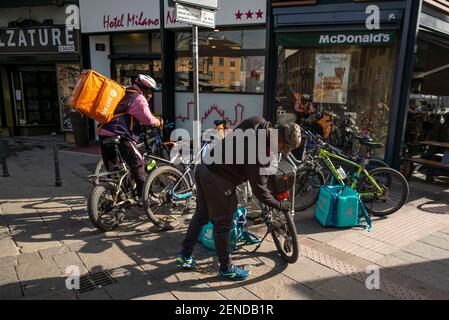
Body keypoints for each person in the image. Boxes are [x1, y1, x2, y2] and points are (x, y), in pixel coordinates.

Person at [176, 116, 302, 281]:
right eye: (283, 149)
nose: (280, 152)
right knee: (223, 224)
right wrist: (280, 205)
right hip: (218, 180)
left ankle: (185, 255)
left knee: (201, 214)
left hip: (203, 167)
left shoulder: (257, 121)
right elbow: (261, 192)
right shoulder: (261, 154)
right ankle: (226, 269)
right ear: (281, 142)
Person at [98, 74, 162, 199]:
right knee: (138, 163)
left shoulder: (124, 92)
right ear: (144, 89)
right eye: (150, 91)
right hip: (121, 134)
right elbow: (148, 119)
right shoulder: (138, 97)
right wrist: (159, 122)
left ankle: (118, 195)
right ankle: (144, 197)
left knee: (114, 169)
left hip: (103, 132)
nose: (150, 95)